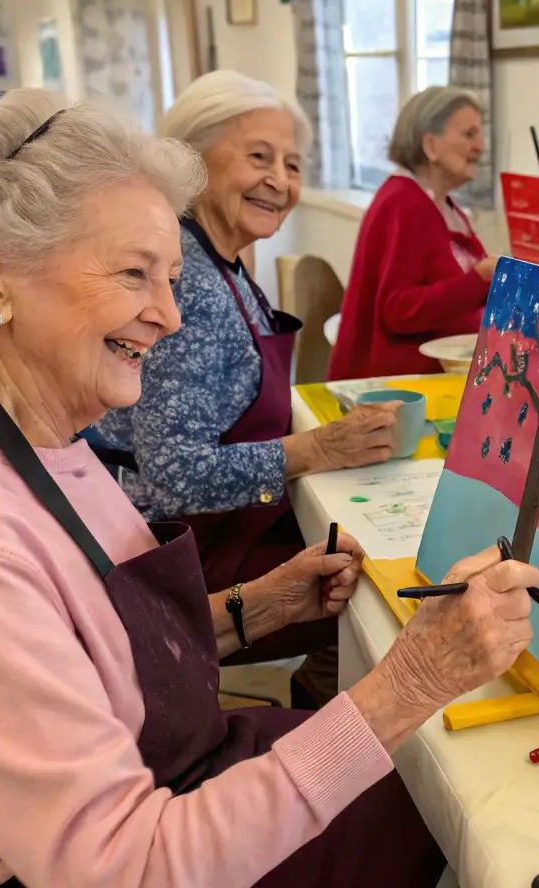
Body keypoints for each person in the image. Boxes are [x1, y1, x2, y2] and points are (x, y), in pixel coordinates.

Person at [0, 88, 539, 888]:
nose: (170, 317)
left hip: (143, 771)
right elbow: (131, 868)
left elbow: (88, 650)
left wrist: (259, 605)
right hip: (125, 853)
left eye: (173, 278)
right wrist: (412, 682)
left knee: (431, 775)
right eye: (132, 274)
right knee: (454, 795)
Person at [96, 71, 398, 705]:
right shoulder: (188, 280)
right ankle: (318, 732)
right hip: (179, 556)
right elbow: (174, 473)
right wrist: (316, 450)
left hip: (224, 525)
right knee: (378, 590)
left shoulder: (219, 257)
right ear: (189, 161)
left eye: (292, 164)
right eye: (258, 156)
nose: (281, 180)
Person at [329, 87, 496, 380]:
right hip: (399, 393)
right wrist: (480, 280)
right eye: (469, 135)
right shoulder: (405, 203)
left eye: (480, 134)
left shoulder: (443, 206)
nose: (480, 146)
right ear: (430, 145)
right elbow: (399, 310)